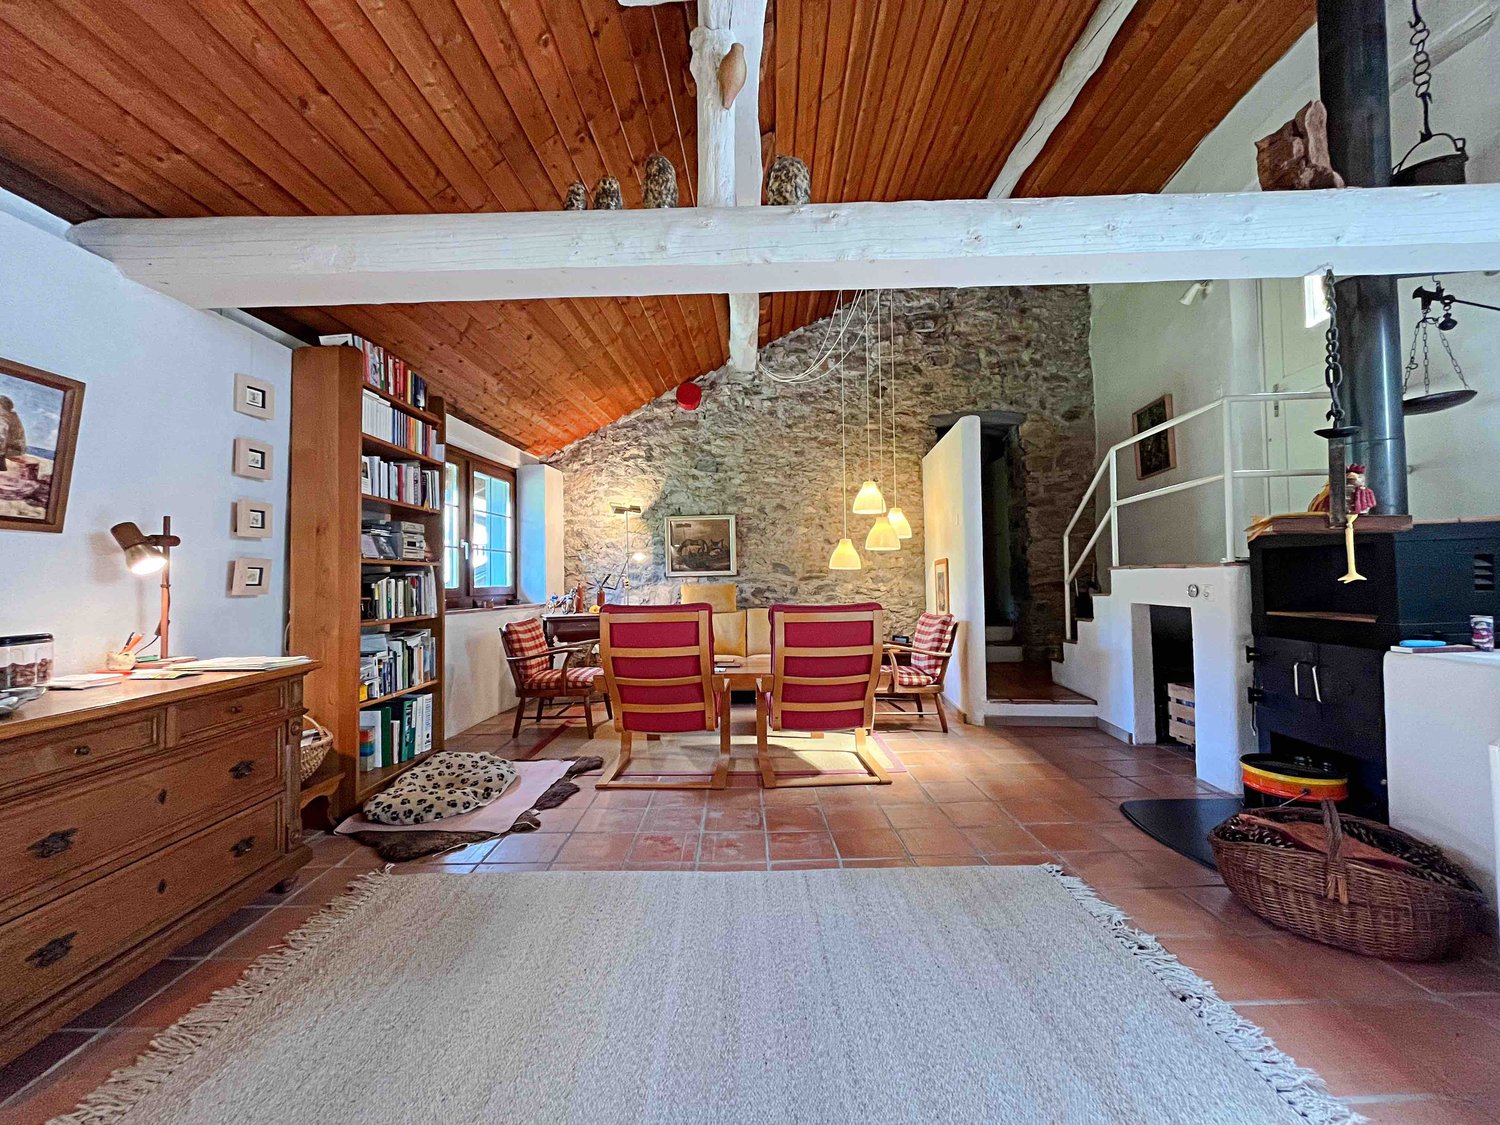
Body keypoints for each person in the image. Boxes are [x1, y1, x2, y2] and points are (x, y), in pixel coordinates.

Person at [0, 394, 27, 473]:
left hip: (9, 451)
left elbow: (1, 437)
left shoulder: (3, 418)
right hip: (14, 450)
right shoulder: (12, 417)